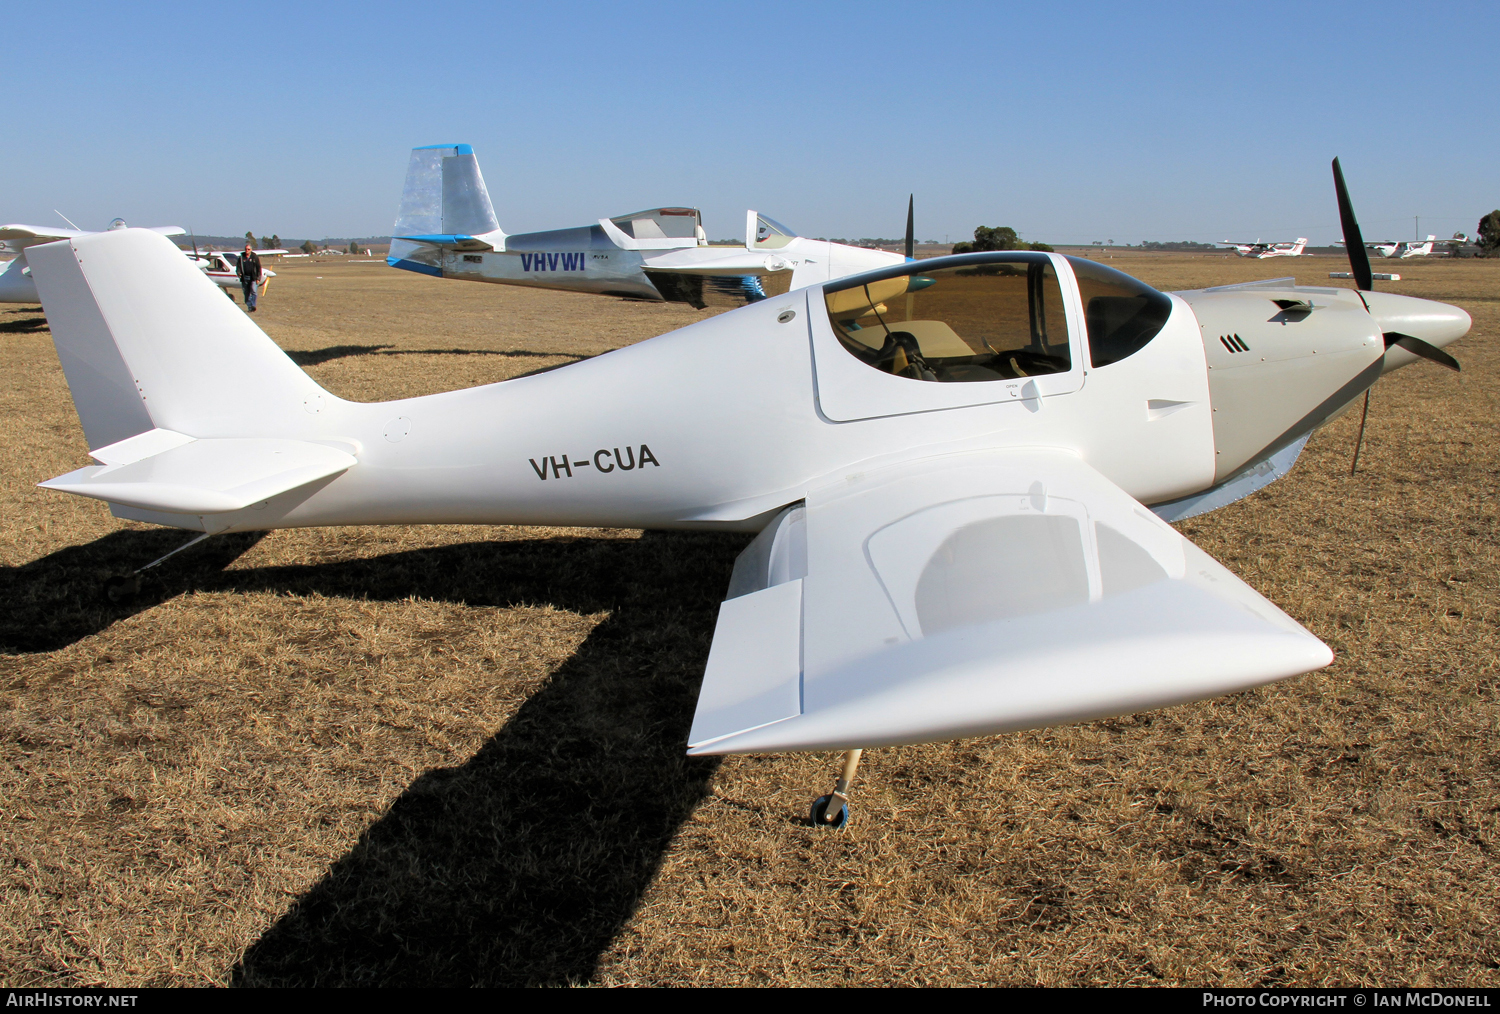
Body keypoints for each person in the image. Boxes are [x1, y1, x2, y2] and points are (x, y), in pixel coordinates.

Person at [237, 242, 262, 312]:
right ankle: (250, 306)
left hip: (253, 278)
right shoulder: (241, 258)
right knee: (246, 294)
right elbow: (238, 267)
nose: (247, 250)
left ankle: (253, 305)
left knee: (254, 291)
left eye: (248, 249)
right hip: (245, 278)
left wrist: (258, 278)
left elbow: (258, 268)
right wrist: (239, 273)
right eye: (246, 249)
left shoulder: (255, 257)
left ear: (251, 250)